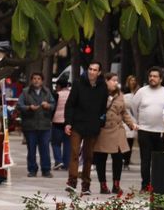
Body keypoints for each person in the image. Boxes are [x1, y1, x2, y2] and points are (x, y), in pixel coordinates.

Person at [62, 61, 107, 194]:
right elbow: (70, 104)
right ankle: (72, 182)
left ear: (99, 73)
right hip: (77, 124)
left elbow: (103, 108)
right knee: (75, 153)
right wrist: (68, 122)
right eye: (90, 69)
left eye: (95, 70)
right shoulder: (78, 83)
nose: (92, 72)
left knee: (89, 156)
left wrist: (100, 123)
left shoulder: (102, 87)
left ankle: (86, 185)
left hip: (93, 126)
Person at [95, 72, 138, 195]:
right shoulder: (99, 92)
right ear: (106, 81)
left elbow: (124, 112)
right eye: (113, 80)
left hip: (117, 130)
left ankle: (116, 185)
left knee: (118, 158)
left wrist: (131, 124)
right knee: (101, 159)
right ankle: (103, 185)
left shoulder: (120, 94)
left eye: (116, 80)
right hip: (103, 130)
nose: (116, 83)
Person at [134, 67, 164, 189]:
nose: (152, 78)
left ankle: (158, 185)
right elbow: (134, 108)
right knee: (145, 160)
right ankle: (145, 185)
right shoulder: (142, 91)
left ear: (161, 79)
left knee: (159, 160)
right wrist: (138, 122)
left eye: (155, 76)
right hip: (144, 130)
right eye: (150, 76)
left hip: (161, 131)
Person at [17, 72, 55, 178]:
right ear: (31, 80)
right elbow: (19, 105)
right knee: (31, 149)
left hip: (45, 125)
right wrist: (29, 108)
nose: (36, 80)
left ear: (42, 81)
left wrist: (48, 106)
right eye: (34, 78)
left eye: (39, 79)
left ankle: (46, 170)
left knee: (45, 149)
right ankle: (32, 170)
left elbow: (53, 104)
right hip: (30, 126)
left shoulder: (47, 91)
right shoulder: (25, 92)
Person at [51, 78, 70, 170]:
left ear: (59, 86)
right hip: (69, 122)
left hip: (57, 121)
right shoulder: (72, 94)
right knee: (67, 143)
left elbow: (53, 107)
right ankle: (66, 163)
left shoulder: (56, 94)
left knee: (56, 143)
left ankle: (58, 161)